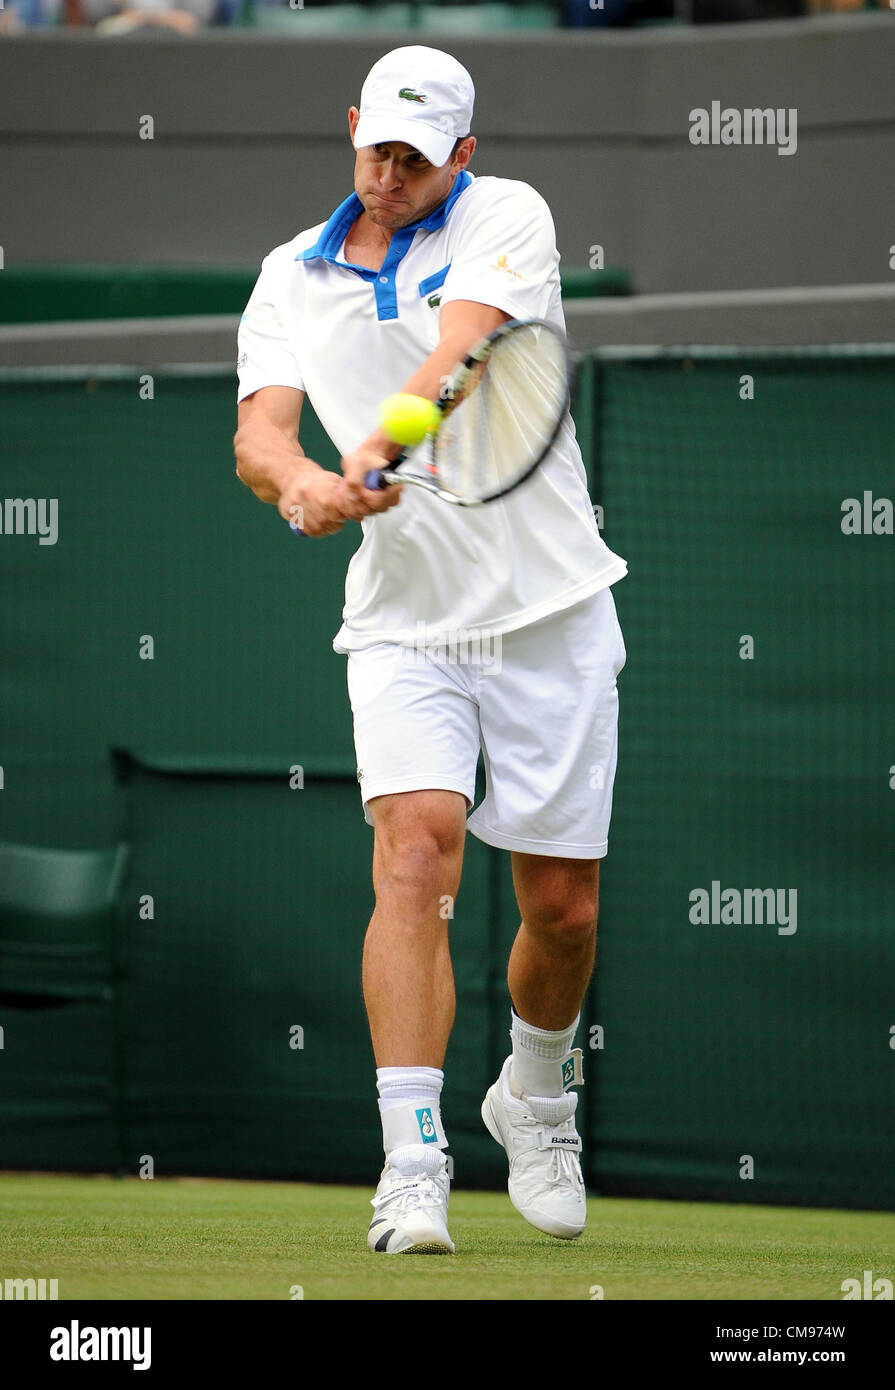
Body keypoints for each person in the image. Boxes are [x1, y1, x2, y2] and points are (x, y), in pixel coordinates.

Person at [234, 44, 628, 1254]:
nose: (392, 171)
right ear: (351, 127)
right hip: (404, 623)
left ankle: (537, 1094)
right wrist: (301, 485)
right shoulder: (286, 277)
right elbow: (259, 434)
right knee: (415, 854)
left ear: (462, 153)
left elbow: (458, 356)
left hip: (551, 610)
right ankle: (413, 1160)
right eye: (376, 147)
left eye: (418, 154)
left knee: (559, 909)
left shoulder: (508, 215)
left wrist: (371, 456)